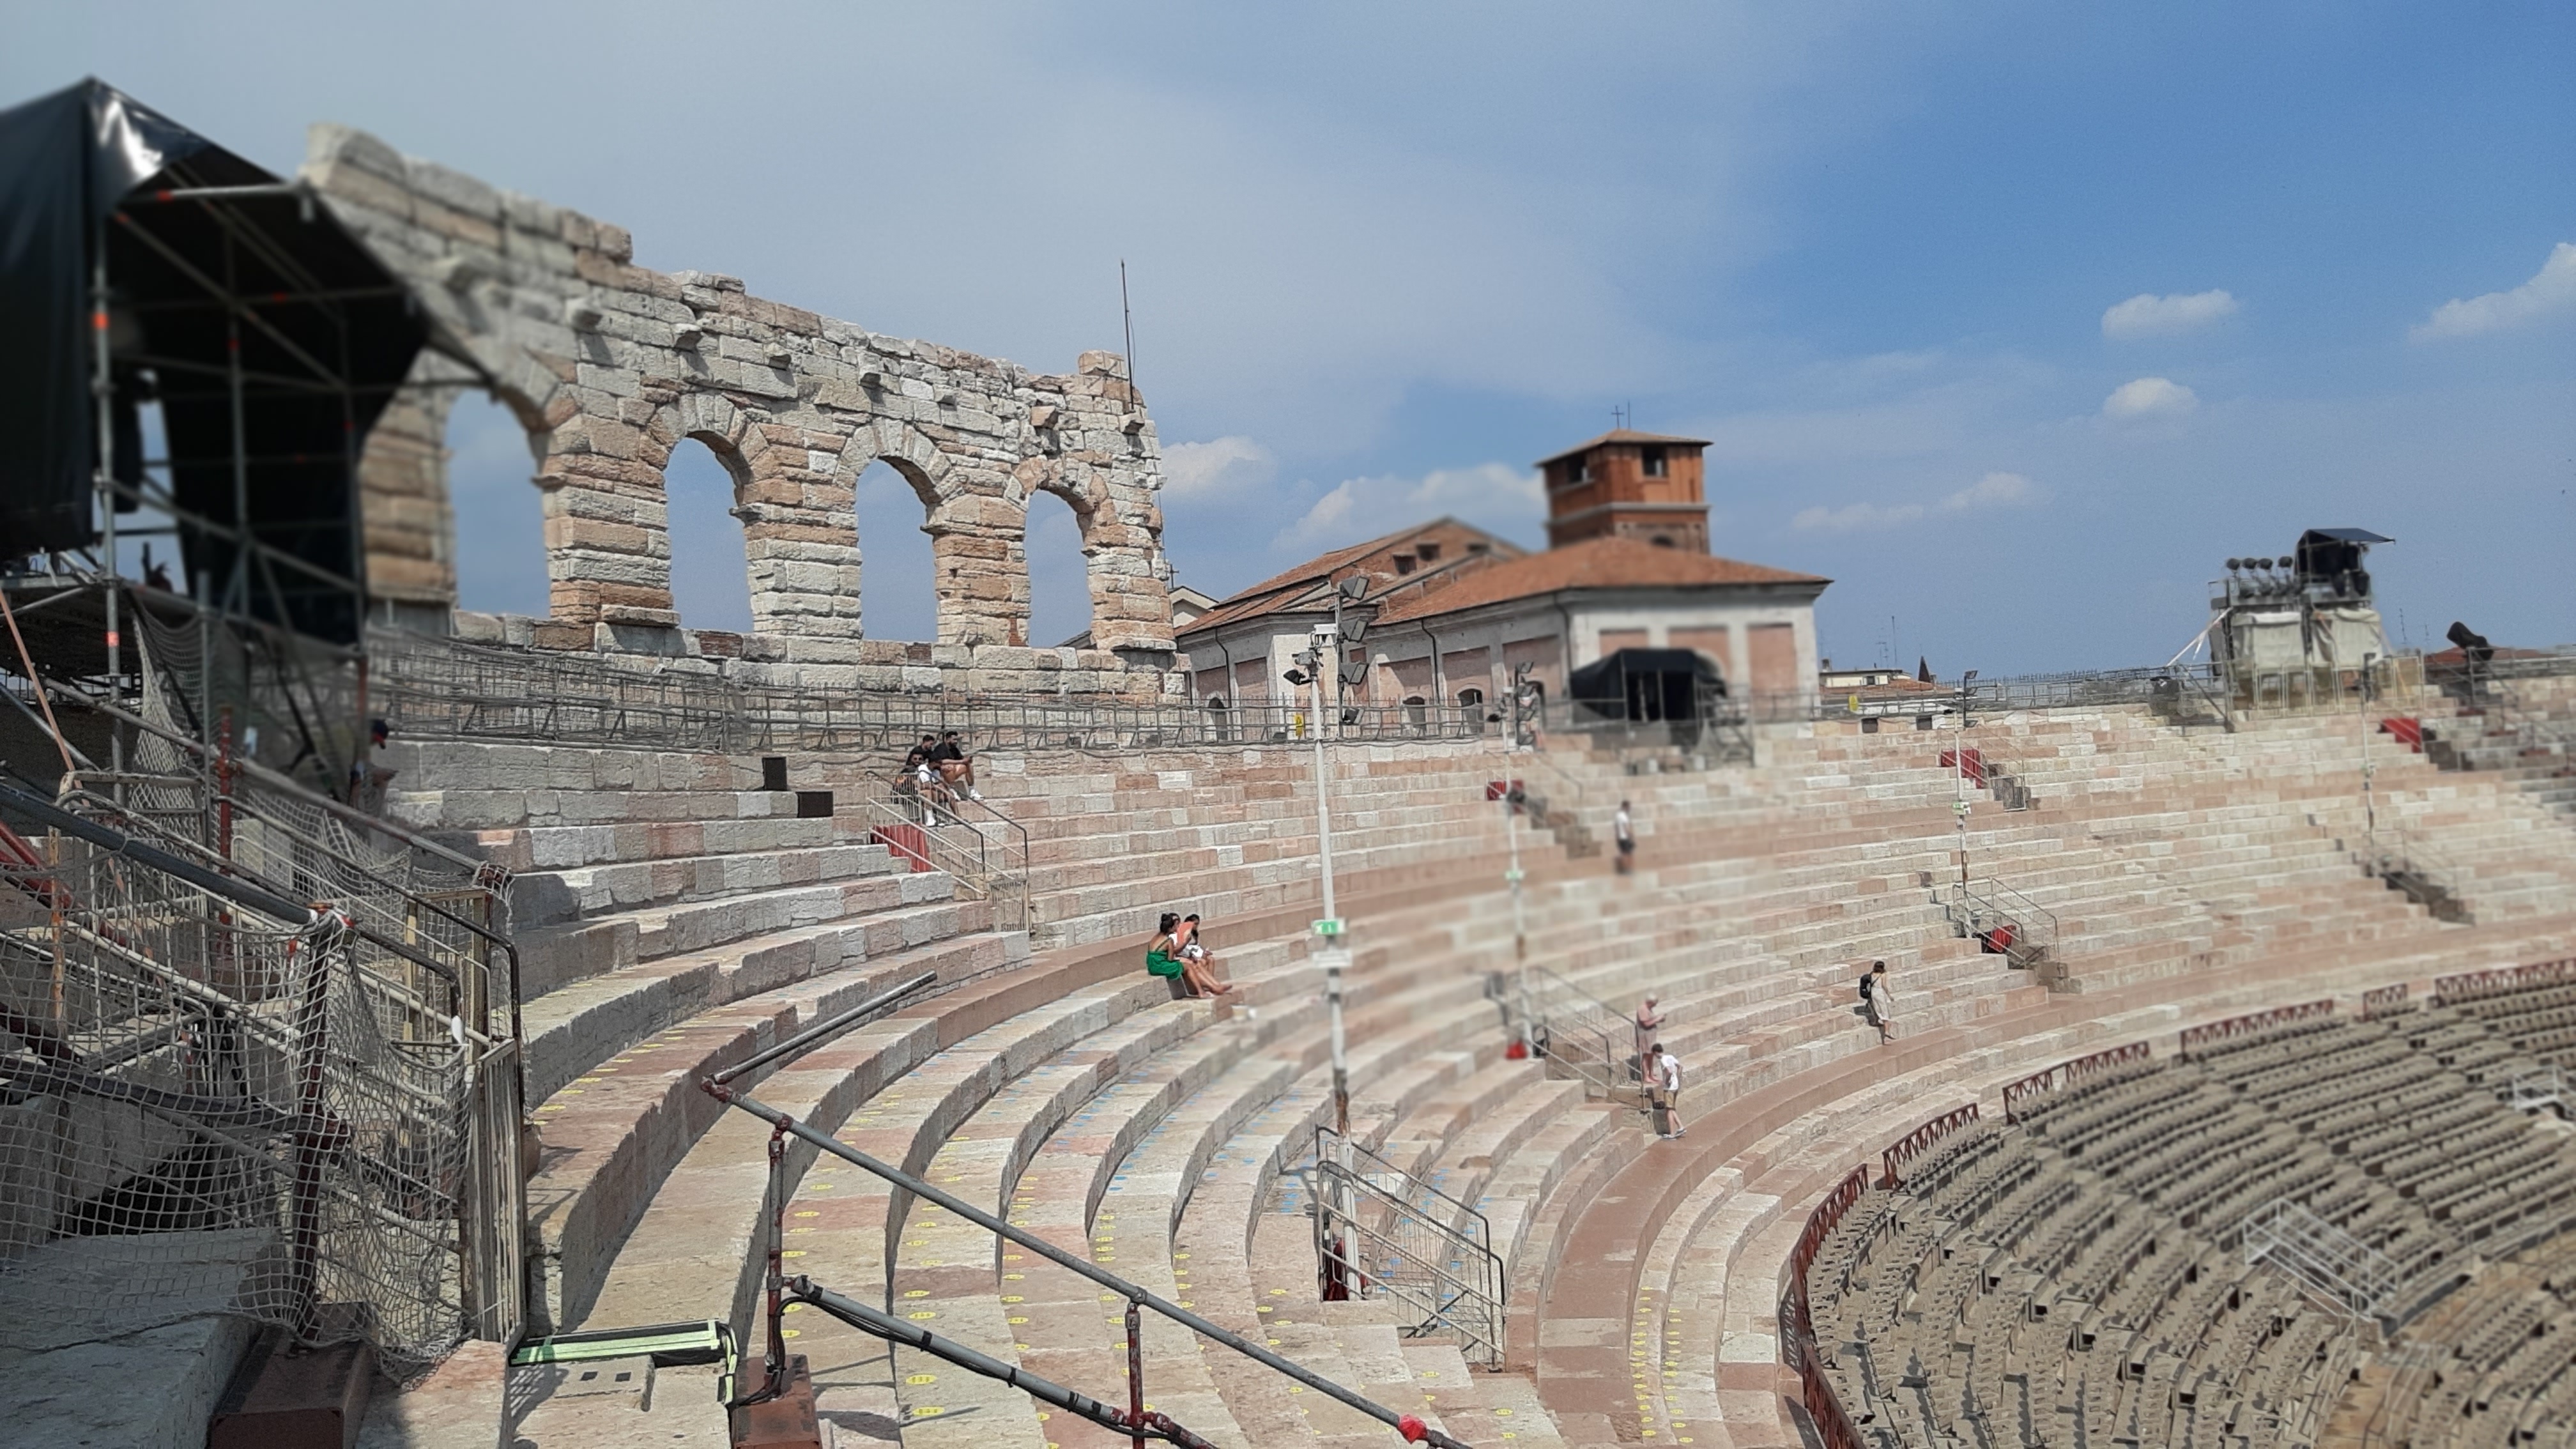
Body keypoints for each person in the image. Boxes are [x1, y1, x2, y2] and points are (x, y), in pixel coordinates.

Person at [1176, 914, 1236, 997]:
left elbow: (1196, 947)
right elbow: (1181, 949)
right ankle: (1212, 987)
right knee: (1198, 964)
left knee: (1210, 959)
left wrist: (1203, 952)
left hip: (1192, 955)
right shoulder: (1180, 934)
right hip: (1188, 956)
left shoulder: (1193, 933)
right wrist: (1192, 955)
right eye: (1195, 924)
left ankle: (1215, 985)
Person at [931, 730, 983, 801]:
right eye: (954, 739)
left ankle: (972, 791)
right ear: (948, 739)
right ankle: (951, 789)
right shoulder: (941, 748)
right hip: (941, 773)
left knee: (968, 766)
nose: (956, 742)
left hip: (953, 772)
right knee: (950, 767)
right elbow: (942, 761)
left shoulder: (954, 749)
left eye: (957, 740)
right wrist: (960, 761)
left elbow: (961, 759)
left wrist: (967, 760)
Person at [1648, 1041, 1683, 1138]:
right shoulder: (1670, 1057)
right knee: (1671, 1108)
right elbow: (1680, 1067)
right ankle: (1681, 1127)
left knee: (1668, 1110)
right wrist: (1677, 1078)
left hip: (1669, 1088)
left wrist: (1667, 1081)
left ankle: (1672, 1134)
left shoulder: (1663, 1060)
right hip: (1675, 1086)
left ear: (1656, 1052)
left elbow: (1669, 1071)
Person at [1860, 960, 1895, 1045]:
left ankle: (1876, 1021)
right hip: (1879, 993)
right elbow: (1884, 986)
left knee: (1877, 1009)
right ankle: (1887, 1033)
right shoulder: (1883, 975)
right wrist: (1889, 995)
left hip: (1873, 992)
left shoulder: (1872, 974)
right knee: (1885, 1012)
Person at [1632, 995, 1665, 1080]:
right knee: (1646, 1055)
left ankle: (1651, 1074)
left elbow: (1651, 1020)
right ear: (1650, 1002)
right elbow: (1646, 1024)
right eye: (1654, 1004)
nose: (1655, 1006)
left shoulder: (1648, 1009)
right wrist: (1657, 1019)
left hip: (1651, 1037)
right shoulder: (1642, 1009)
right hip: (1645, 1036)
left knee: (1651, 1054)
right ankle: (1646, 1076)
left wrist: (1660, 1019)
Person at [1613, 800, 1636, 875]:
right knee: (1629, 854)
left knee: (1623, 854)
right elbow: (1626, 827)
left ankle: (1625, 870)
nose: (1630, 809)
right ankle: (1629, 869)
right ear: (1625, 807)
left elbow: (1616, 827)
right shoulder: (1624, 816)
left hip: (1620, 838)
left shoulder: (1617, 815)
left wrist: (1617, 837)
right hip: (1625, 837)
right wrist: (1631, 835)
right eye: (1629, 807)